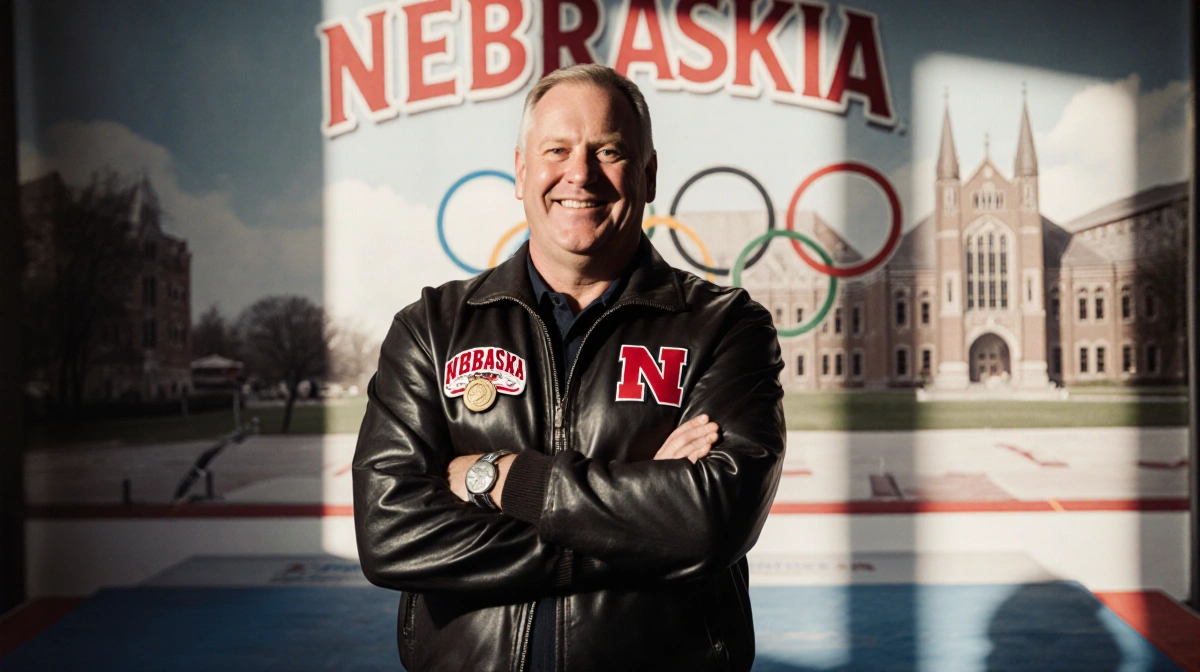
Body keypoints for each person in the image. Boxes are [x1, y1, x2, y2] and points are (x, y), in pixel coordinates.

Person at [353, 64, 785, 672]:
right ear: (523, 171)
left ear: (649, 174)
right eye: (557, 150)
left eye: (608, 151)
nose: (579, 174)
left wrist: (504, 478)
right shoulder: (432, 327)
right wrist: (638, 515)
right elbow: (389, 535)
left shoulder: (724, 327)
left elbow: (713, 520)